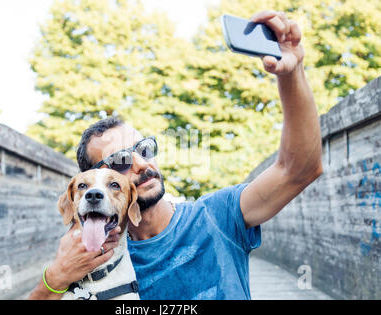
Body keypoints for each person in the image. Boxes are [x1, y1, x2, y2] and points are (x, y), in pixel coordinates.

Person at [28, 10, 323, 300]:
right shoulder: (89, 263)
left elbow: (299, 170)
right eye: (121, 161)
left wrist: (292, 73)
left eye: (144, 149)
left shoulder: (216, 216)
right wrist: (54, 278)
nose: (142, 163)